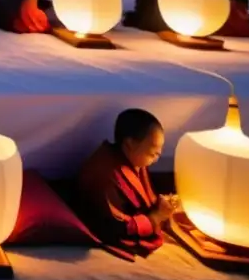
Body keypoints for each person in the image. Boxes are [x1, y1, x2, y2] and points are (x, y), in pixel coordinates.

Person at [76, 109, 177, 259]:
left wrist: (160, 204)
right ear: (130, 144)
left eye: (159, 151)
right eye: (152, 153)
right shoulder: (104, 172)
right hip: (110, 229)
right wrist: (156, 216)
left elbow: (144, 199)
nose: (158, 156)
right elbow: (114, 227)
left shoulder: (135, 160)